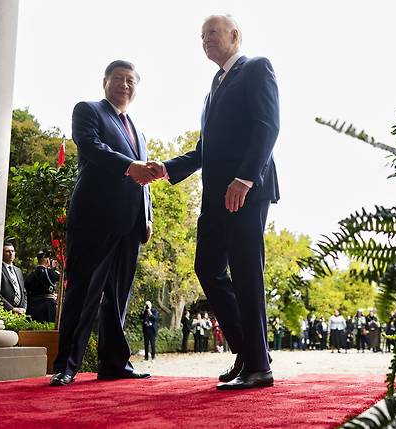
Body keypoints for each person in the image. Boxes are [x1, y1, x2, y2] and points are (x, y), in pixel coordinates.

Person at [151, 14, 279, 390]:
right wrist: (166, 167)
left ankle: (259, 368)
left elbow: (267, 125)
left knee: (246, 274)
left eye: (212, 33)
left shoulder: (257, 68)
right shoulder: (213, 85)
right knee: (207, 267)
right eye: (201, 35)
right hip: (214, 196)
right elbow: (205, 150)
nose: (205, 39)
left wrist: (245, 177)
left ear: (235, 35)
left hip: (246, 190)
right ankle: (249, 352)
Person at [50, 60, 159, 386]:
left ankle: (114, 364)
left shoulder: (138, 130)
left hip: (130, 225)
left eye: (131, 81)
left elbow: (144, 180)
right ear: (105, 82)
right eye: (118, 78)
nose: (124, 85)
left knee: (117, 298)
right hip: (94, 220)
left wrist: (148, 214)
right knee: (83, 292)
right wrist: (131, 166)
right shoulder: (88, 111)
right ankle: (66, 366)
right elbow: (92, 148)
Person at [24, 251, 59, 323]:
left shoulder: (30, 276)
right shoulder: (51, 273)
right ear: (47, 261)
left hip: (33, 308)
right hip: (48, 308)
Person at [0, 243, 27, 315]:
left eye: (13, 251)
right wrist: (11, 309)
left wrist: (24, 308)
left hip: (20, 312)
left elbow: (24, 292)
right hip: (5, 312)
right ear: (2, 253)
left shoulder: (18, 271)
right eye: (7, 251)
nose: (11, 253)